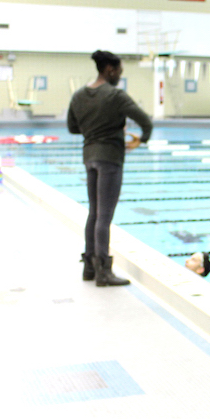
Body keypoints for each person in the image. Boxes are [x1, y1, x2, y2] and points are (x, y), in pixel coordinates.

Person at [68, 50, 153, 287]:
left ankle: (89, 268)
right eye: (120, 71)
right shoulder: (115, 95)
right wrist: (141, 139)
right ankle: (103, 272)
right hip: (110, 159)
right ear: (110, 70)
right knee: (104, 217)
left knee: (94, 213)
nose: (119, 76)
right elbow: (146, 121)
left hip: (90, 156)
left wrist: (93, 130)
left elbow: (72, 127)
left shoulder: (78, 96)